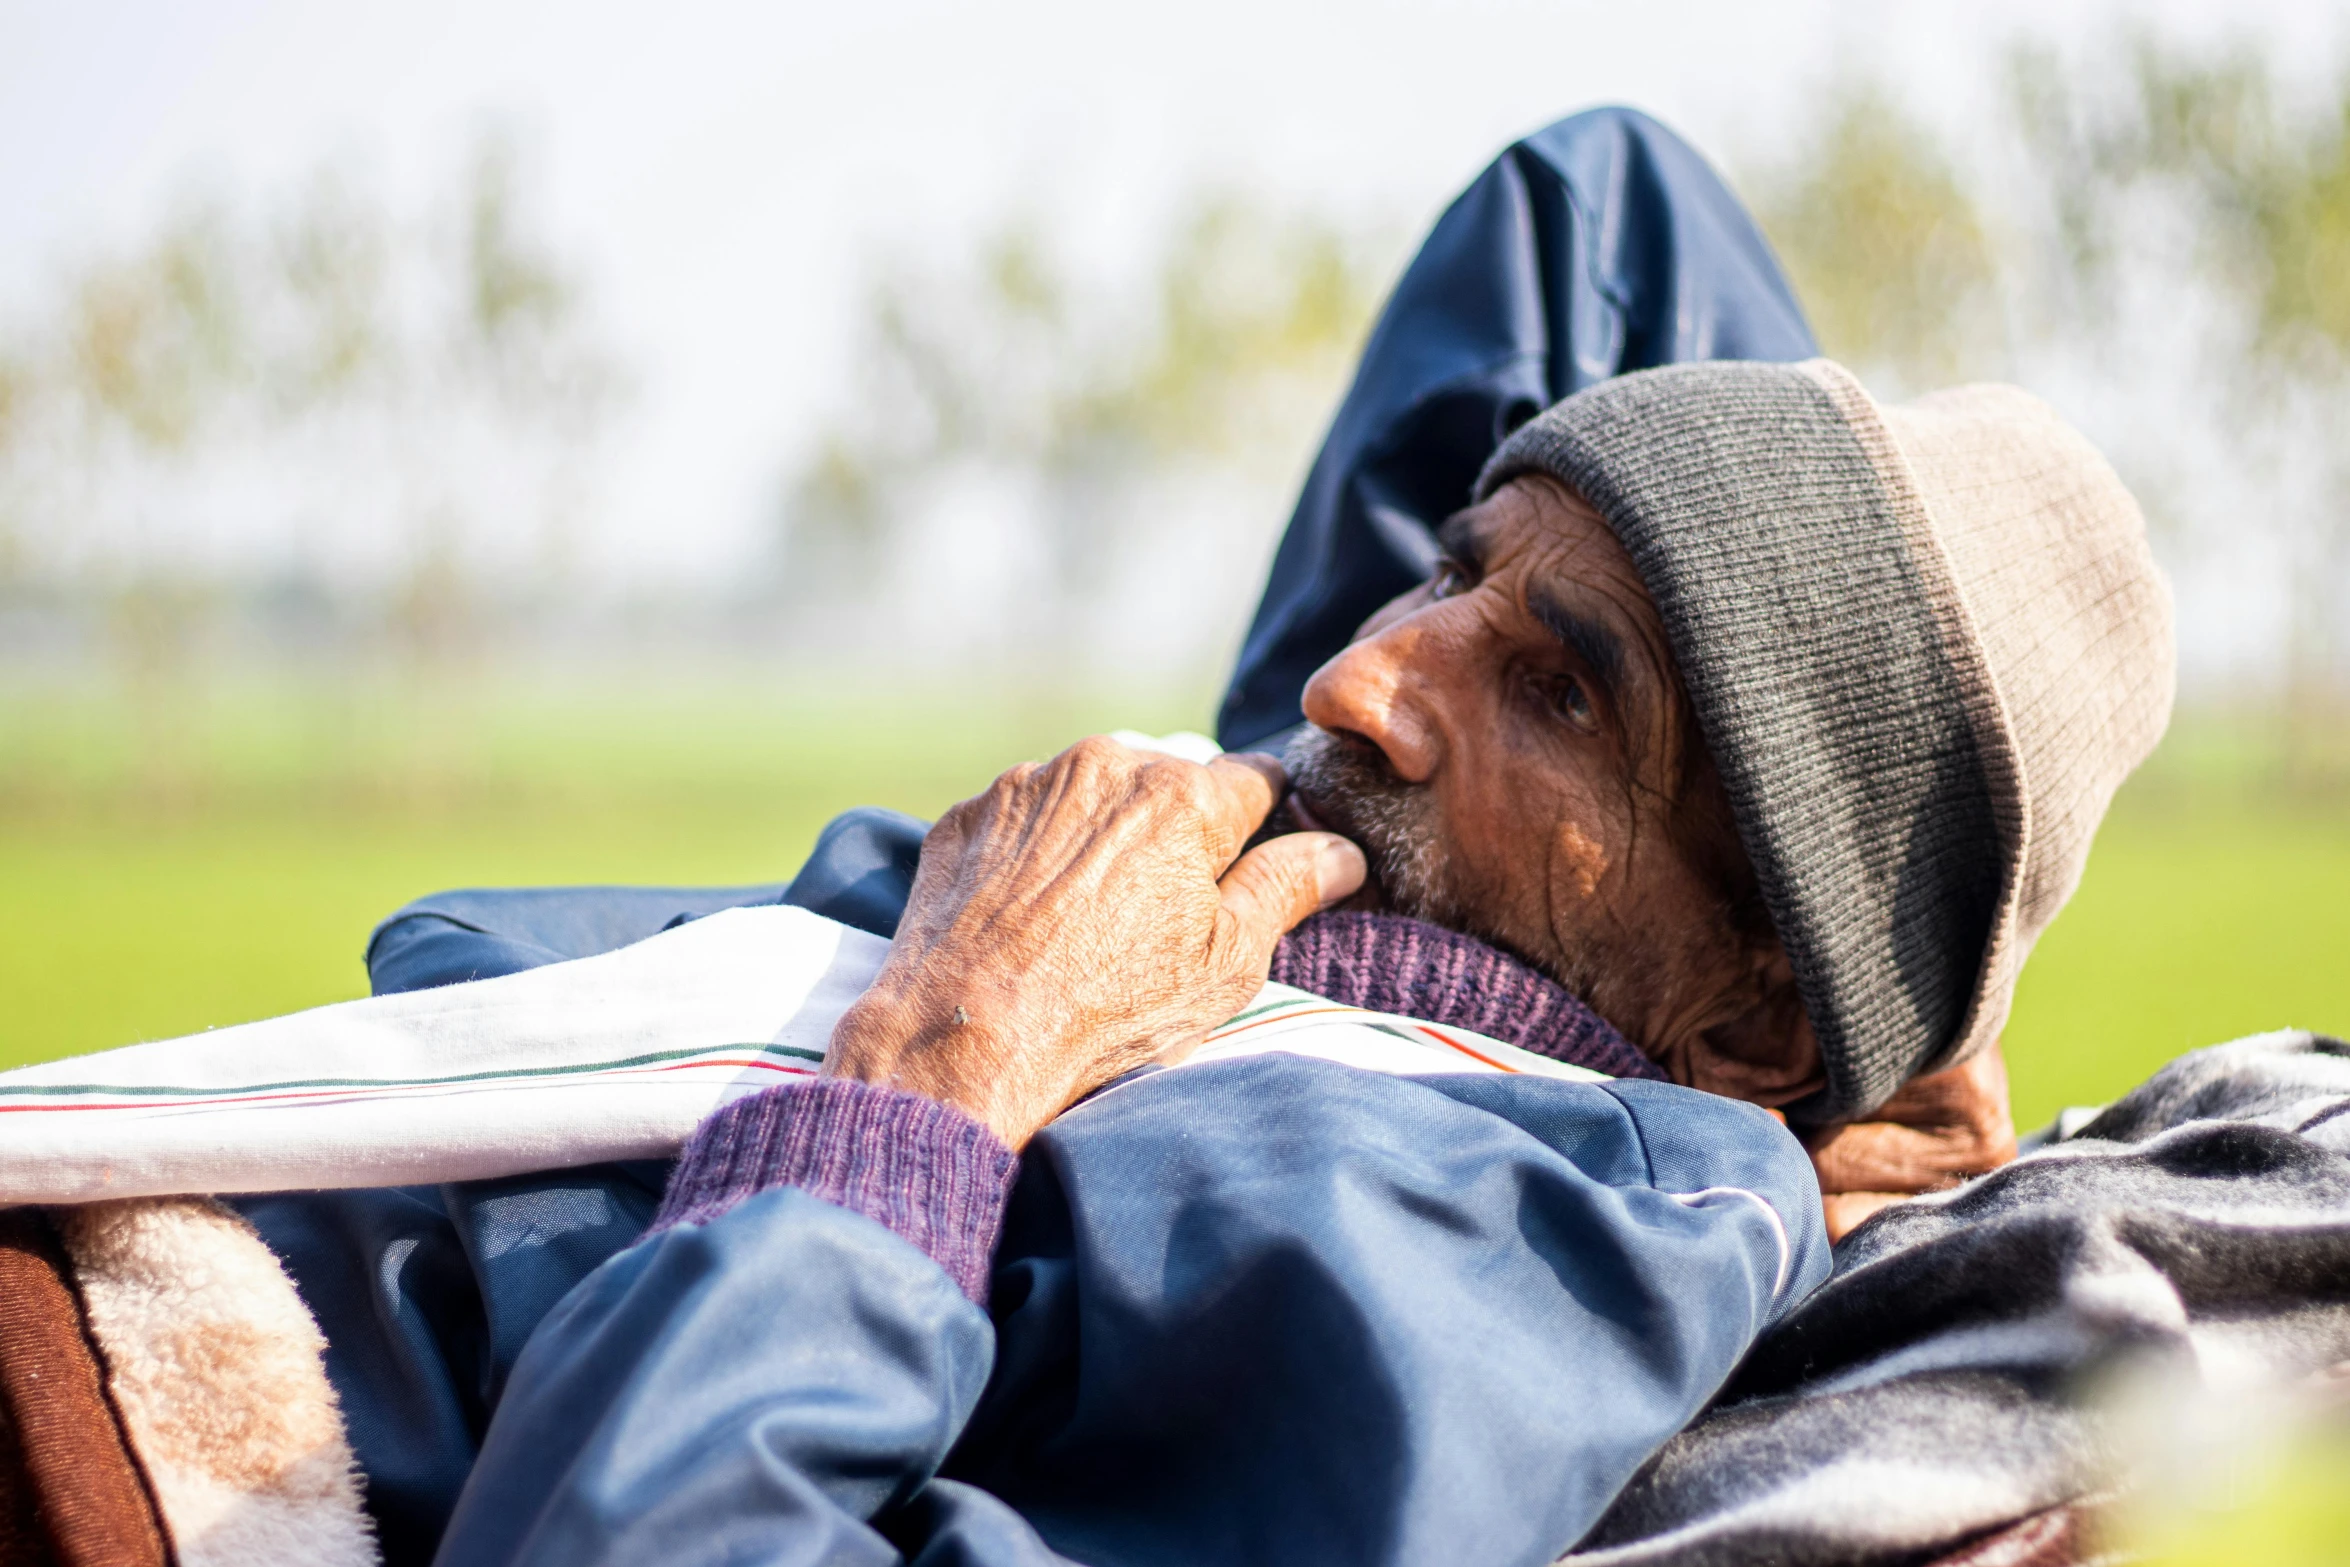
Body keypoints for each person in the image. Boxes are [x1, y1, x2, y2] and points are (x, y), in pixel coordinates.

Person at [223, 105, 2180, 1567]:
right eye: (1443, 574)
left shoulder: (1520, 1239)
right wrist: (1893, 974)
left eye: (1564, 689)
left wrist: (944, 1068)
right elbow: (1591, 201)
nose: (1356, 681)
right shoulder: (1300, 844)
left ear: (1755, 1039)